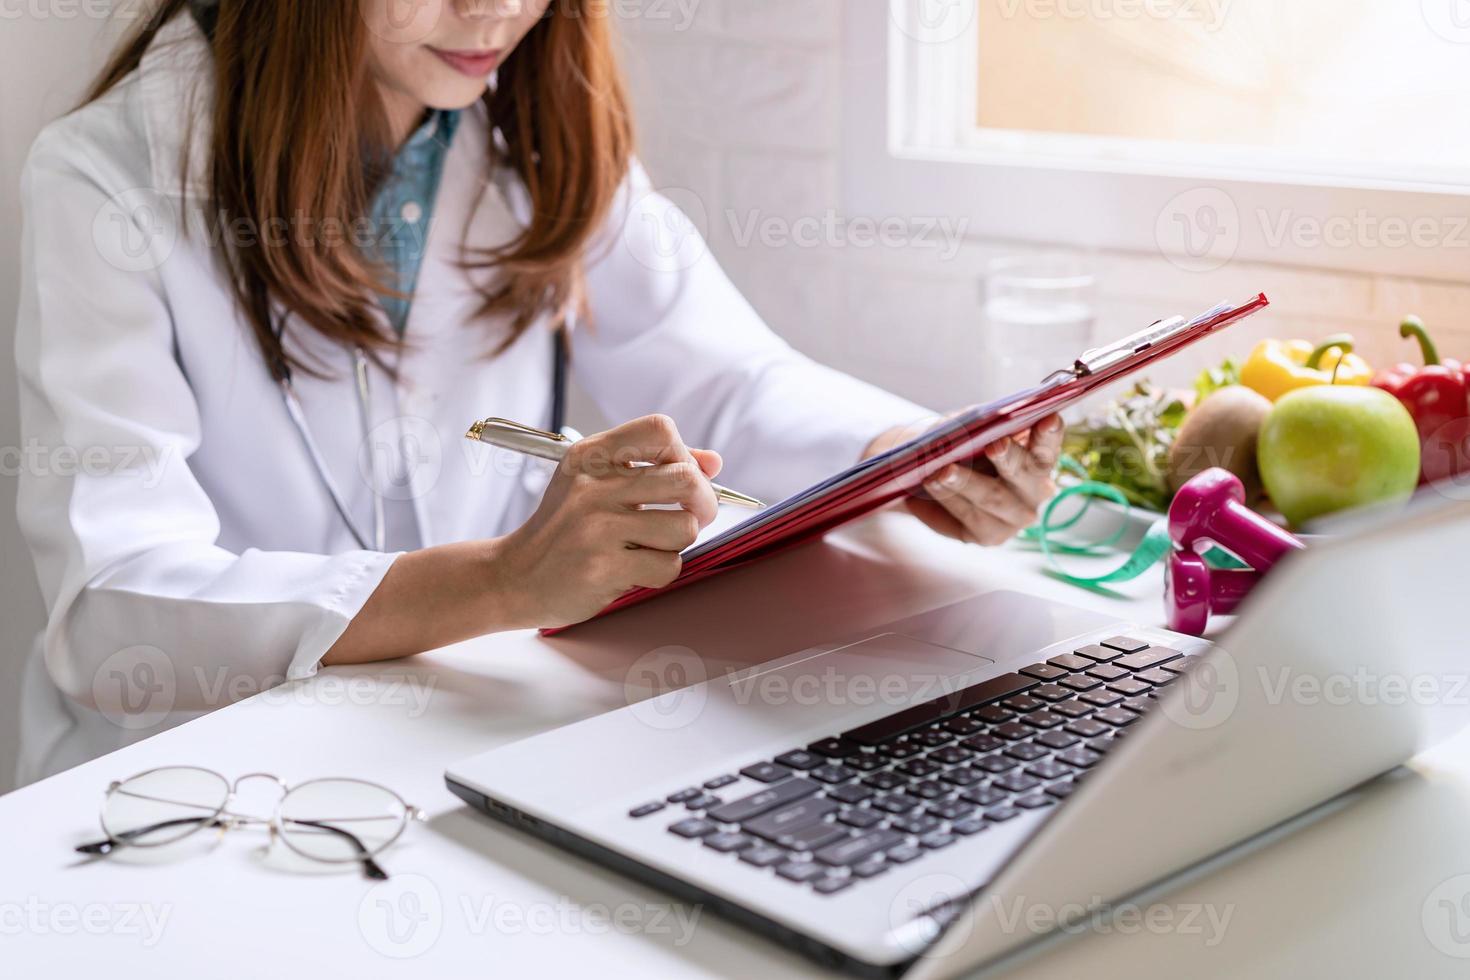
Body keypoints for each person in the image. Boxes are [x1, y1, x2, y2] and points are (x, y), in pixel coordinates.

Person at [13, 0, 1062, 782]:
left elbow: (727, 375)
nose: (497, 12)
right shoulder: (104, 181)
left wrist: (914, 452)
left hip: (447, 741)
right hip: (181, 785)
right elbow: (112, 609)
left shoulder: (516, 129)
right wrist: (503, 581)